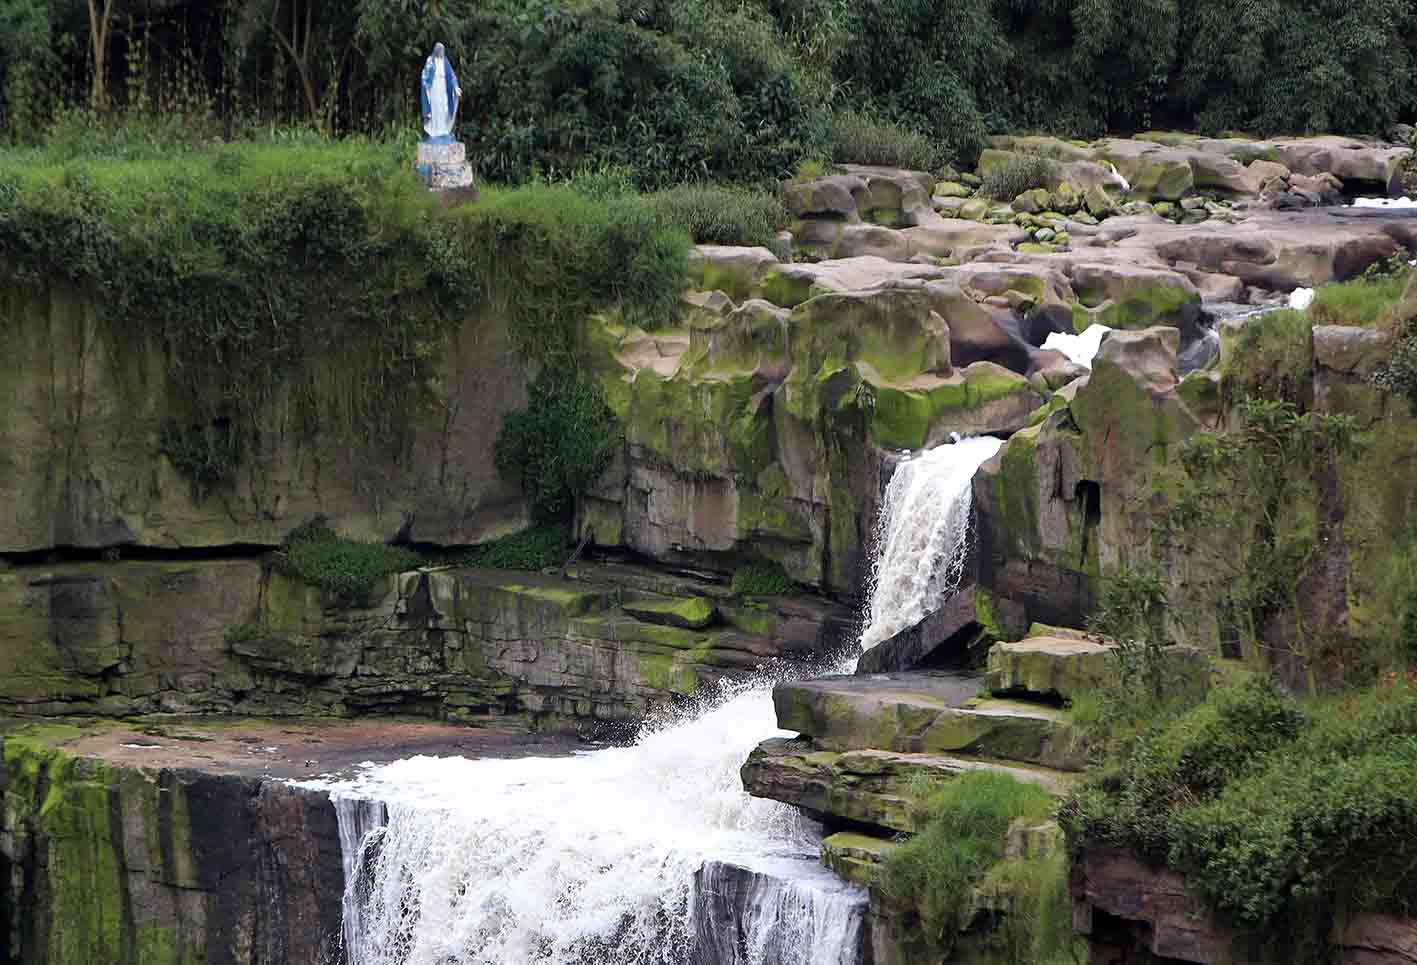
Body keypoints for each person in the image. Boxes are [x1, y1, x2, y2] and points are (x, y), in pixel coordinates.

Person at [420, 43, 461, 142]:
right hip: (434, 88)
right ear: (436, 50)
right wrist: (426, 86)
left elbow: (451, 76)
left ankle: (443, 130)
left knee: (444, 108)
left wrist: (456, 87)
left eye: (442, 50)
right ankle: (435, 132)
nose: (441, 52)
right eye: (440, 50)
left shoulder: (445, 62)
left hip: (444, 88)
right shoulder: (430, 61)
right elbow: (425, 75)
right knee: (435, 108)